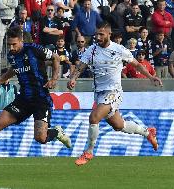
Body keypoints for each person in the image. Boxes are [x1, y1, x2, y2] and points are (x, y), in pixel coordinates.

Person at [0, 27, 71, 167]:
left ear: (21, 41)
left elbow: (56, 57)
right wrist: (1, 80)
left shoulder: (33, 49)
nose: (12, 47)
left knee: (40, 137)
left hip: (41, 98)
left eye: (14, 44)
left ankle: (56, 131)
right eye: (9, 44)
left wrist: (54, 79)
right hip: (23, 99)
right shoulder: (12, 55)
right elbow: (14, 69)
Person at [67, 22, 163, 166]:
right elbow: (81, 66)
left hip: (114, 91)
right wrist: (73, 78)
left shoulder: (119, 49)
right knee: (119, 125)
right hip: (99, 92)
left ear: (109, 34)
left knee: (94, 117)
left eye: (101, 34)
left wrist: (150, 77)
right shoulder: (91, 50)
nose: (98, 37)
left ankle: (89, 152)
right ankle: (147, 132)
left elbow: (136, 64)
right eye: (96, 34)